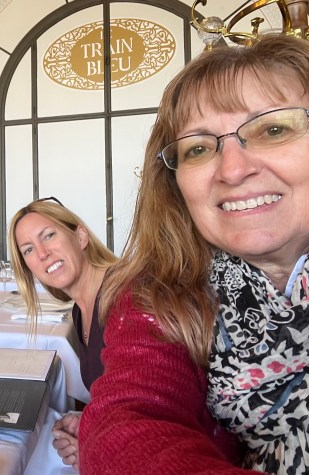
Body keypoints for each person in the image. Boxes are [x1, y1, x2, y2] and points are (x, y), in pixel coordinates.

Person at [78, 34, 309, 474]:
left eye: (273, 129)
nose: (233, 170)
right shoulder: (161, 297)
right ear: (176, 185)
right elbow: (124, 423)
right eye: (199, 148)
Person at [8, 197, 117, 470]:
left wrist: (96, 447)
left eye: (49, 235)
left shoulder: (123, 298)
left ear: (80, 237)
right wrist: (90, 420)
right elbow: (121, 397)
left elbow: (155, 410)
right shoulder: (79, 311)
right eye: (29, 249)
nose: (42, 253)